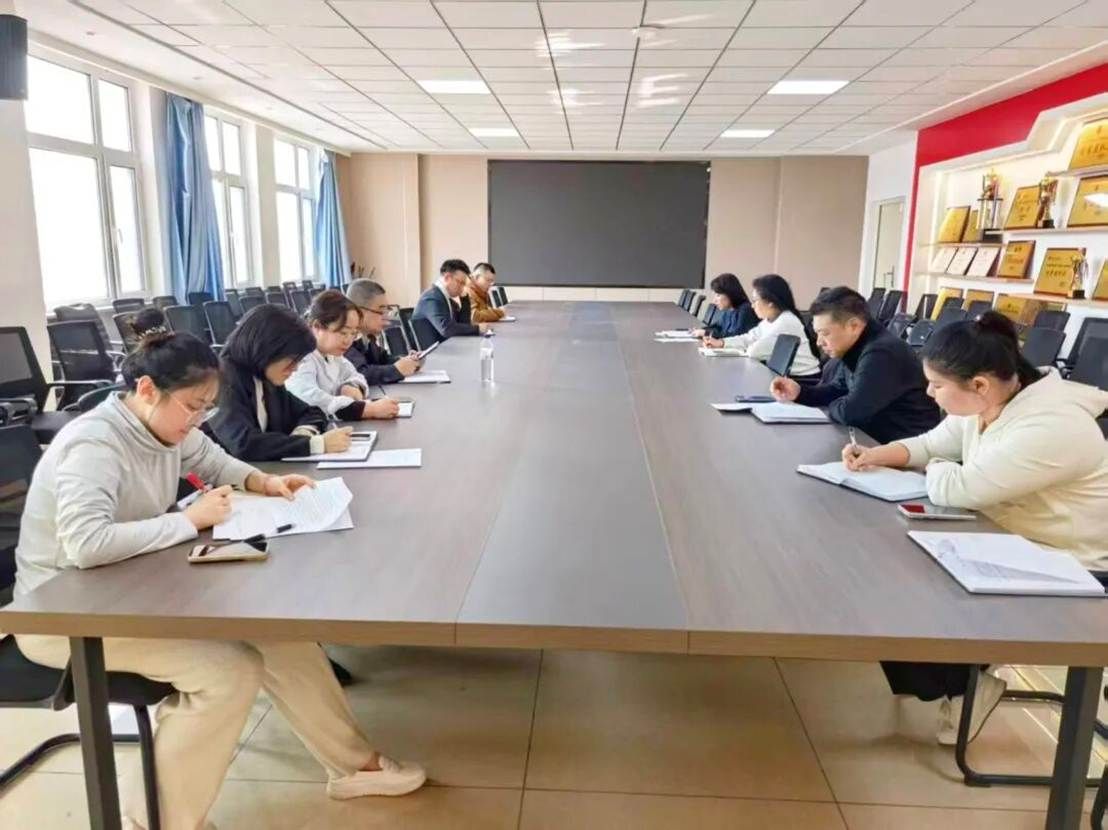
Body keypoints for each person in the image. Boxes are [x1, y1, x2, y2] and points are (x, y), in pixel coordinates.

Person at [13, 331, 426, 830]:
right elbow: (86, 544)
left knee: (277, 631)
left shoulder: (165, 427)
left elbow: (213, 460)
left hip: (131, 587)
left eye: (206, 408)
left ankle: (353, 766)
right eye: (192, 406)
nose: (198, 419)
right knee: (227, 671)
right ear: (146, 389)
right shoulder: (94, 444)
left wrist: (265, 481)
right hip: (63, 617)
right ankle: (157, 820)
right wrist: (188, 521)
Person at [843, 312, 1108, 745]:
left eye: (937, 385)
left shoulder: (1053, 424)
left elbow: (959, 487)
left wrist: (939, 466)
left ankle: (963, 682)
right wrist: (878, 455)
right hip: (1004, 537)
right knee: (881, 567)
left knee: (903, 584)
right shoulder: (991, 400)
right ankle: (956, 679)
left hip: (1063, 562)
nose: (929, 394)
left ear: (980, 385)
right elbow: (931, 445)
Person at [769, 286, 941, 443]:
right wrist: (800, 392)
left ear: (853, 326)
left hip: (904, 449)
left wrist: (836, 404)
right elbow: (837, 390)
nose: (819, 342)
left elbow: (850, 413)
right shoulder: (856, 346)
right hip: (873, 438)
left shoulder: (882, 353)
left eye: (825, 333)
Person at [206, 304, 354, 461]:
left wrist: (303, 433)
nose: (295, 368)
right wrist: (315, 444)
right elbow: (243, 444)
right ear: (266, 349)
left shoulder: (266, 377)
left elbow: (311, 412)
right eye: (292, 360)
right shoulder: (222, 379)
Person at [286, 289, 401, 421]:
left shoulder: (333, 354)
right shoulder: (301, 357)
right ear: (317, 326)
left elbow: (356, 375)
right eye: (343, 332)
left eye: (353, 334)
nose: (348, 341)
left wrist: (352, 386)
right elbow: (308, 397)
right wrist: (367, 410)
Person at [702, 273, 820, 378]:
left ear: (770, 302)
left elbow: (755, 352)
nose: (752, 305)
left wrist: (742, 346)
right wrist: (721, 343)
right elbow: (749, 337)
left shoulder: (786, 321)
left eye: (755, 300)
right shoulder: (770, 320)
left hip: (803, 380)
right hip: (783, 376)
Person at [345, 279, 421, 385]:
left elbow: (382, 359)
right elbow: (360, 373)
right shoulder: (344, 337)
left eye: (387, 311)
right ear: (359, 312)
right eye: (381, 311)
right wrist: (396, 370)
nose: (387, 319)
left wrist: (406, 361)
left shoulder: (368, 337)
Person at [412, 259, 489, 341]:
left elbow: (463, 324)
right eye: (460, 282)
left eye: (464, 284)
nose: (463, 287)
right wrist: (477, 328)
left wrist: (464, 298)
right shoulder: (432, 297)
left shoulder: (446, 298)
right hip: (435, 348)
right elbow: (446, 329)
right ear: (447, 278)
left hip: (446, 344)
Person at [691, 273, 758, 340]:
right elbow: (718, 327)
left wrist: (706, 333)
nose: (714, 301)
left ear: (730, 293)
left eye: (718, 295)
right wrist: (701, 330)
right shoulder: (729, 309)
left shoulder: (746, 310)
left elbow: (735, 337)